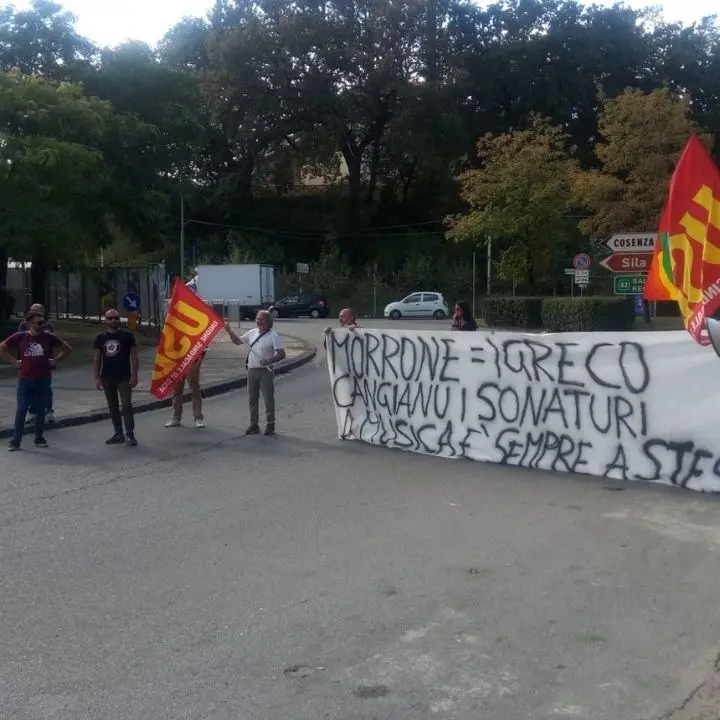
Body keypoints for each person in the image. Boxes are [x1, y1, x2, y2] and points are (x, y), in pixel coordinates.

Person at [0, 311, 72, 451]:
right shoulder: (21, 337)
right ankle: (16, 440)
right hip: (25, 378)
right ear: (29, 324)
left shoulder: (48, 337)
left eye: (43, 322)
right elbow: (2, 347)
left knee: (40, 410)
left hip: (43, 378)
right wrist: (15, 362)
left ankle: (39, 437)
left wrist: (55, 360)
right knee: (22, 409)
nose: (42, 325)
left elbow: (67, 348)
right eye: (39, 323)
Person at [224, 310, 286, 436]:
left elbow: (281, 354)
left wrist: (269, 360)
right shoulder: (252, 333)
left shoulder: (273, 336)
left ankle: (270, 424)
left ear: (269, 322)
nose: (259, 321)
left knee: (268, 398)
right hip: (252, 369)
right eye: (257, 319)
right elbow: (237, 341)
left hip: (265, 371)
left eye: (262, 319)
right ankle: (254, 424)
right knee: (252, 399)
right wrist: (229, 331)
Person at [93, 308, 139, 447]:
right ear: (105, 320)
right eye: (110, 318)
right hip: (107, 376)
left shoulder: (127, 336)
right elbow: (96, 358)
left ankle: (130, 434)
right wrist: (96, 377)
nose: (113, 320)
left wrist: (135, 374)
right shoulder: (100, 338)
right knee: (113, 406)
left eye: (116, 318)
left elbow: (134, 356)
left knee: (126, 405)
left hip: (124, 376)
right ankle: (118, 433)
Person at [17, 303, 56, 423]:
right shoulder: (24, 325)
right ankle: (33, 412)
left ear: (43, 313)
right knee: (30, 389)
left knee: (45, 389)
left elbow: (51, 341)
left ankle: (49, 411)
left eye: (38, 311)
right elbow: (19, 341)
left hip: (44, 362)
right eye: (33, 311)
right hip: (28, 362)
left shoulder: (47, 325)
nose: (35, 313)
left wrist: (53, 361)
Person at [165, 349, 207, 428]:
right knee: (177, 388)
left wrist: (200, 357)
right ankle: (176, 417)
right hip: (178, 357)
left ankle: (198, 417)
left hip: (192, 357)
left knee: (194, 387)